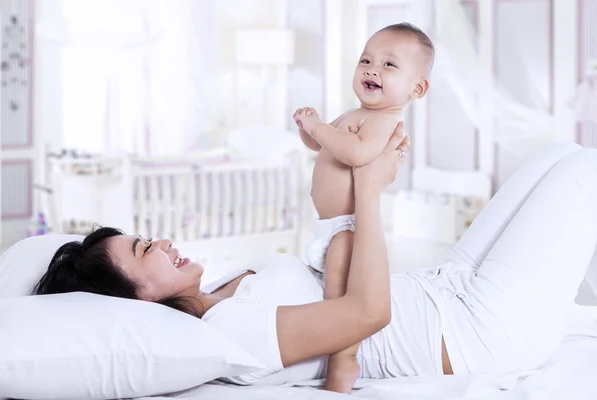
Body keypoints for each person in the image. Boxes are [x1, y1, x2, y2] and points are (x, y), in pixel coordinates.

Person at [35, 135, 597, 393]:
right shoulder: (230, 335)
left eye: (147, 237)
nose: (160, 243)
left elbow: (336, 275)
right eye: (143, 251)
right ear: (138, 300)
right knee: (584, 170)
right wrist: (369, 194)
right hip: (475, 333)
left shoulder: (225, 290)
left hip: (445, 290)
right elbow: (368, 311)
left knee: (559, 153)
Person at [292, 22, 432, 392]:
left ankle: (345, 361)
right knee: (326, 287)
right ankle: (329, 343)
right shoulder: (351, 114)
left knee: (340, 290)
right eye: (366, 60)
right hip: (326, 224)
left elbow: (356, 153)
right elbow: (323, 147)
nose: (372, 69)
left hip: (348, 227)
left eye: (389, 65)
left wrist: (319, 125)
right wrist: (309, 131)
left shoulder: (385, 121)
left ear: (416, 88)